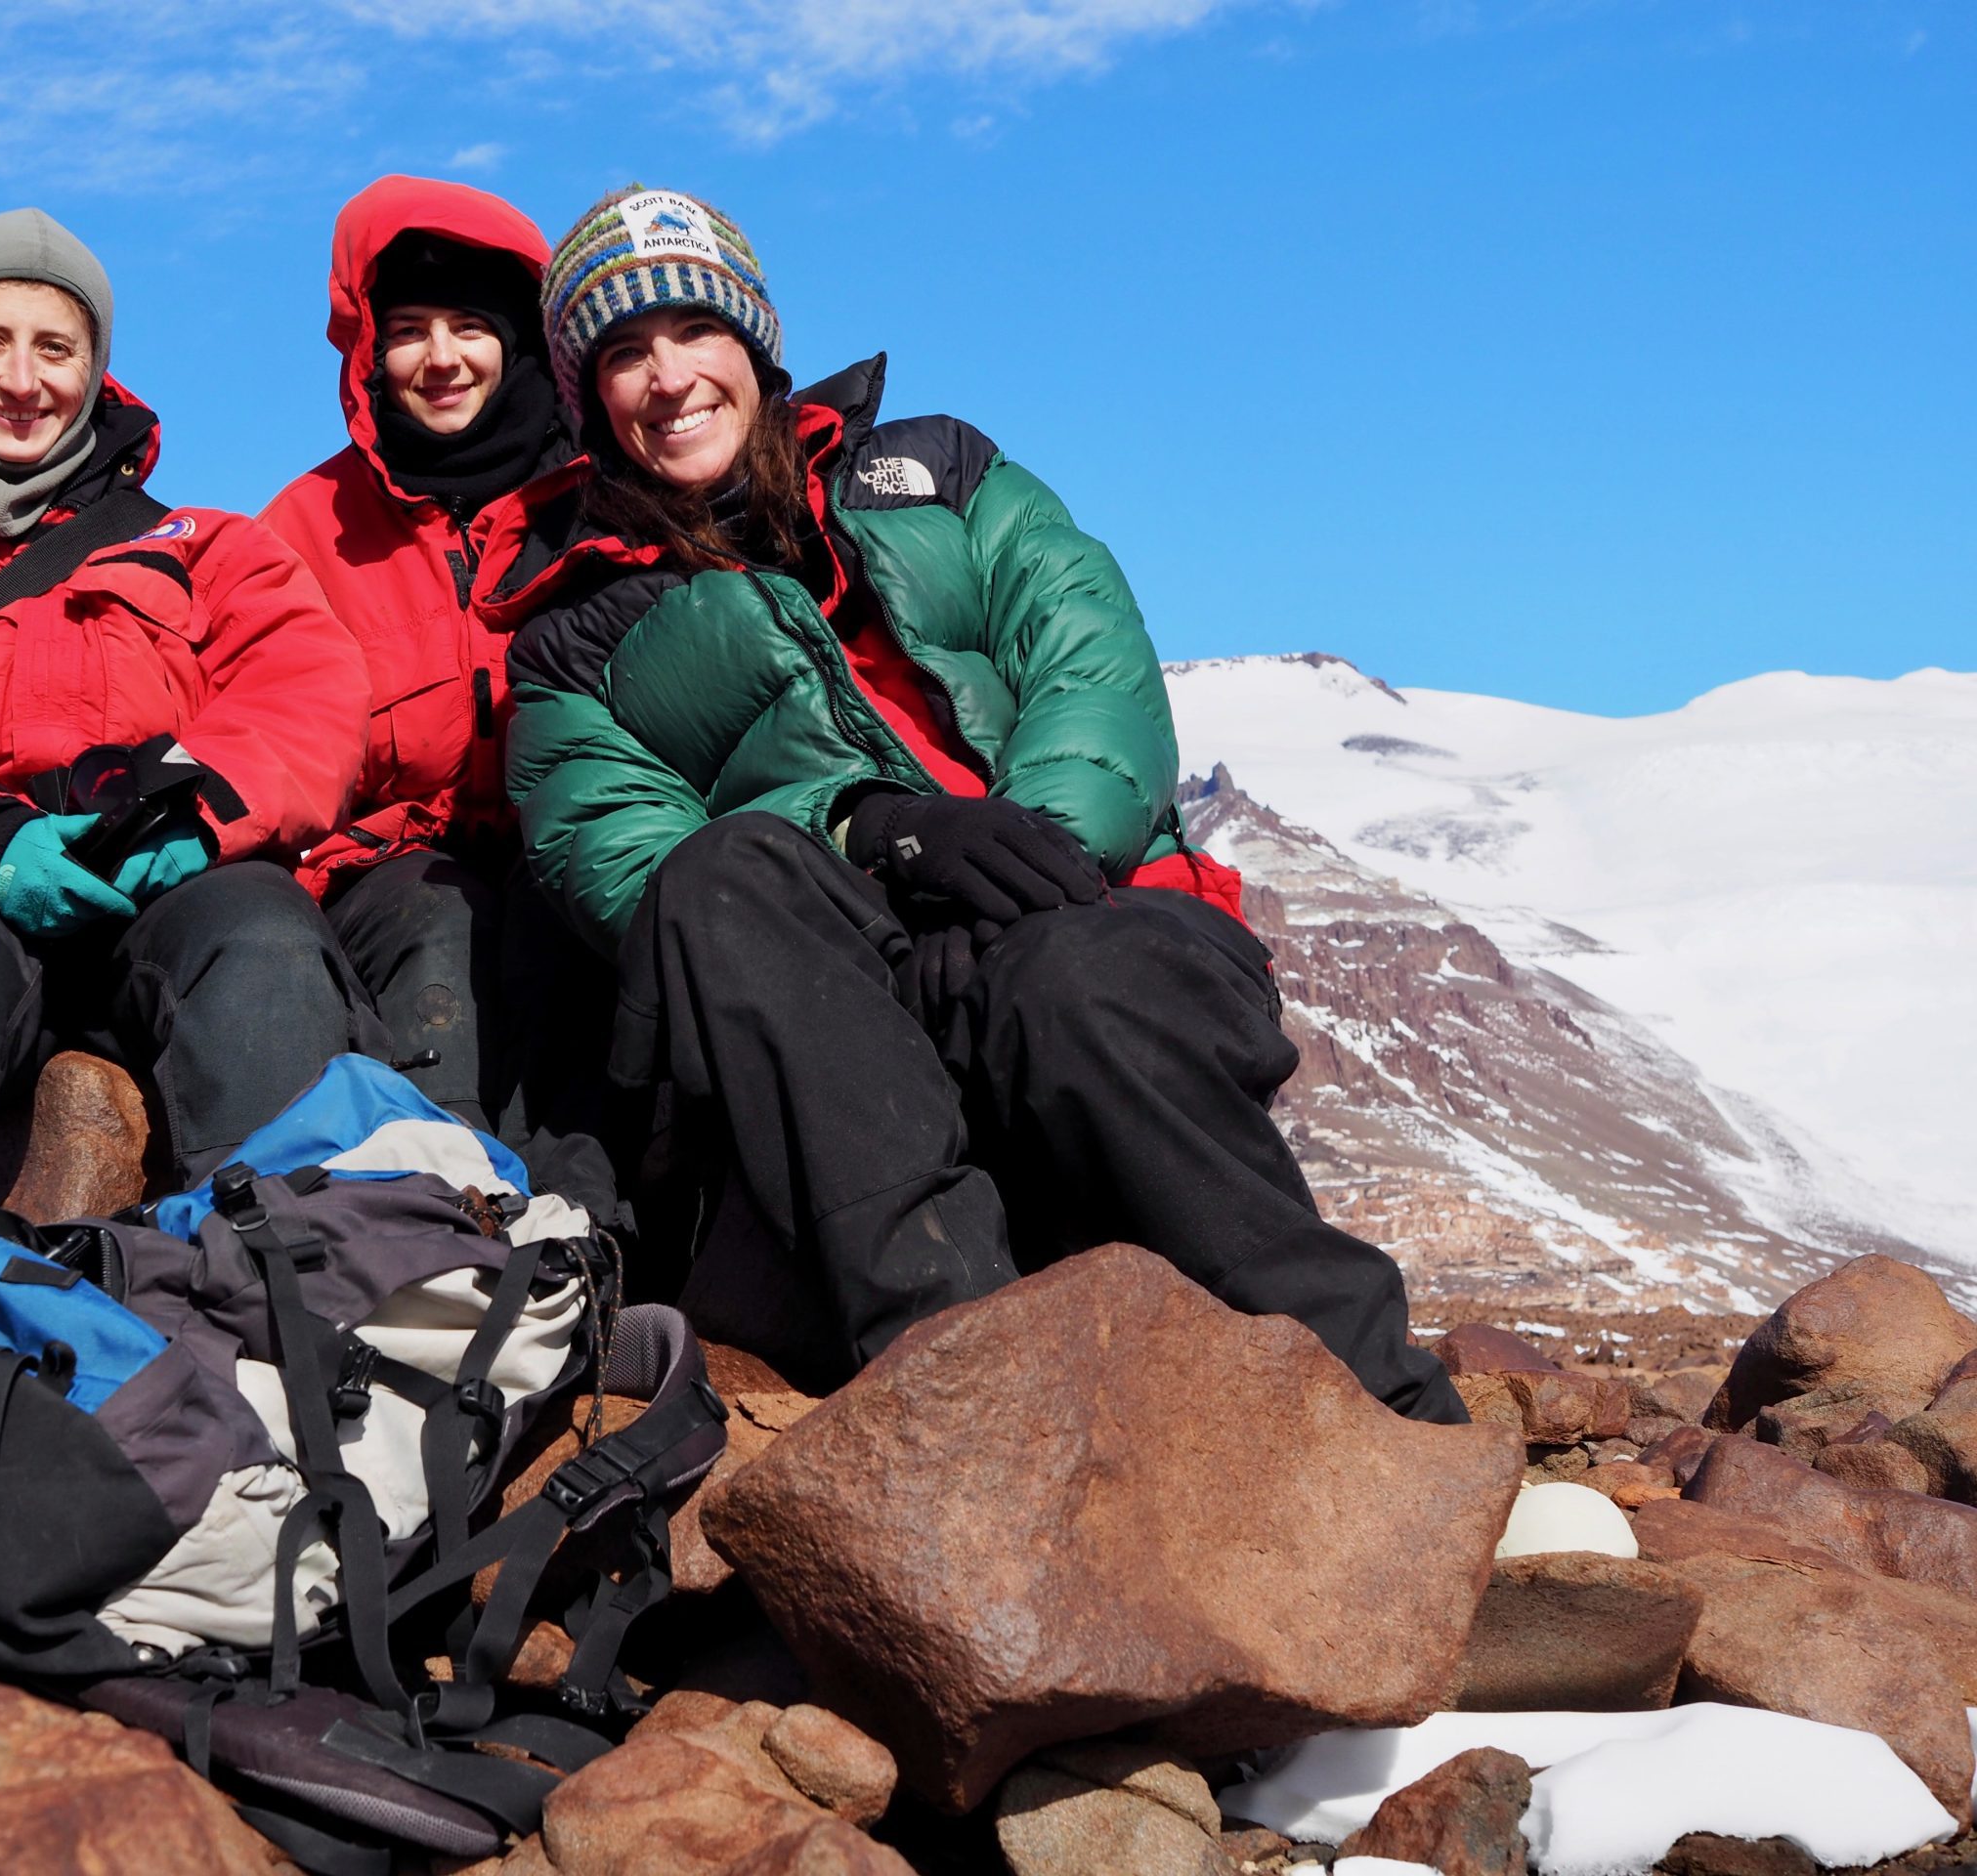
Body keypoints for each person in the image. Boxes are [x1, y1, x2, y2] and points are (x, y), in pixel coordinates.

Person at [491, 186, 1464, 1421]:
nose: (668, 377)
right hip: (836, 1006)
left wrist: (1040, 853)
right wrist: (874, 830)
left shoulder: (941, 471)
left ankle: (1392, 1424)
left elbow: (1088, 653)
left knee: (1076, 983)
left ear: (755, 345)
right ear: (589, 400)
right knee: (718, 878)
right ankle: (971, 1396)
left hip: (1083, 914)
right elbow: (622, 863)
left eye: (694, 333)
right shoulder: (565, 641)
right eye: (623, 354)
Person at [0, 208, 376, 1182]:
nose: (21, 381)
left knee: (264, 941)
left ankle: (308, 1280)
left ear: (95, 370)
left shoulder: (212, 546)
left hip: (166, 885)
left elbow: (301, 699)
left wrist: (174, 804)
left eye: (56, 348)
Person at [259, 176, 620, 1218]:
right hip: (387, 878)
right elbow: (276, 740)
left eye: (472, 325)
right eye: (409, 331)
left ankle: (604, 1237)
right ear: (368, 352)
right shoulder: (300, 530)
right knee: (442, 916)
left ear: (520, 341)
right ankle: (451, 1230)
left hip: (570, 846)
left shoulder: (599, 494)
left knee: (588, 919)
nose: (442, 358)